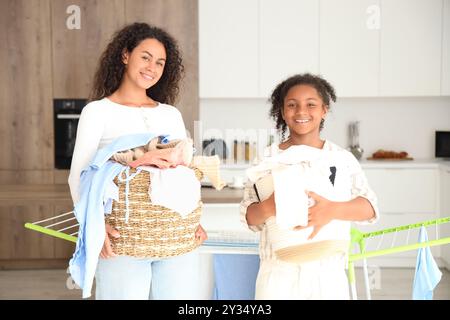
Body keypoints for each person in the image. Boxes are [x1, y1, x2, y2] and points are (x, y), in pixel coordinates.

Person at [68, 22, 207, 299]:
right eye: (145, 57)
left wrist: (193, 218)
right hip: (122, 233)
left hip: (173, 232)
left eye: (160, 62)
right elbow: (80, 175)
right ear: (125, 55)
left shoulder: (170, 114)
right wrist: (95, 226)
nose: (152, 68)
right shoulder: (98, 112)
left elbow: (184, 170)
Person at [240, 73, 380, 299]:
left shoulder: (341, 158)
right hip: (277, 274)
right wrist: (272, 206)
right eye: (292, 105)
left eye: (311, 105)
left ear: (324, 110)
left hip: (327, 274)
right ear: (283, 112)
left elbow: (370, 208)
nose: (301, 112)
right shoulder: (266, 159)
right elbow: (249, 218)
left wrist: (331, 209)